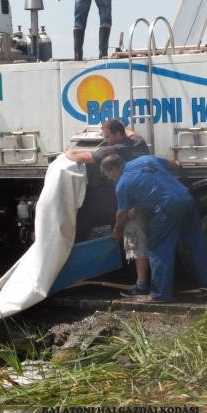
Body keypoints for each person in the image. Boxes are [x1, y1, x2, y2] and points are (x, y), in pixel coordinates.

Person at [100, 154, 207, 303]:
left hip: (167, 207)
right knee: (196, 243)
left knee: (158, 248)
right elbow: (173, 164)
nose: (110, 178)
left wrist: (117, 231)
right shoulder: (145, 159)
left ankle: (160, 294)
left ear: (113, 169)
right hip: (186, 199)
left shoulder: (122, 184)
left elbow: (122, 213)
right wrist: (177, 161)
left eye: (108, 175)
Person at [65, 119, 152, 297]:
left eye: (107, 136)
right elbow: (129, 131)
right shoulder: (138, 142)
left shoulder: (114, 151)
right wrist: (118, 126)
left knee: (136, 242)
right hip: (149, 200)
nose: (105, 140)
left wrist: (67, 154)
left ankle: (142, 285)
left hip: (134, 206)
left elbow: (84, 157)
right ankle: (151, 281)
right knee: (154, 243)